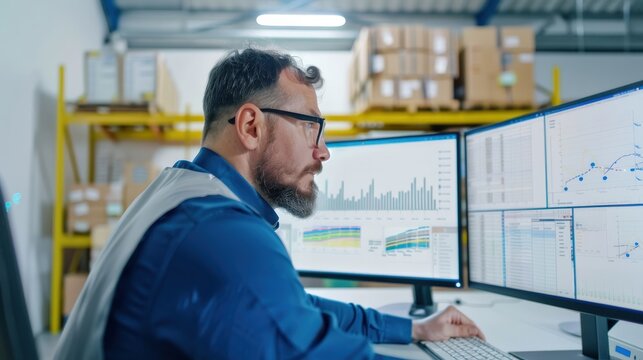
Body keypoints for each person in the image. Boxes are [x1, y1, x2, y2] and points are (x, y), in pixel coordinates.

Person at [54, 48, 484, 359]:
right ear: (250, 126)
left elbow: (292, 308)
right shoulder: (219, 232)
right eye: (311, 128)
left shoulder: (182, 190)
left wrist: (414, 328)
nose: (323, 151)